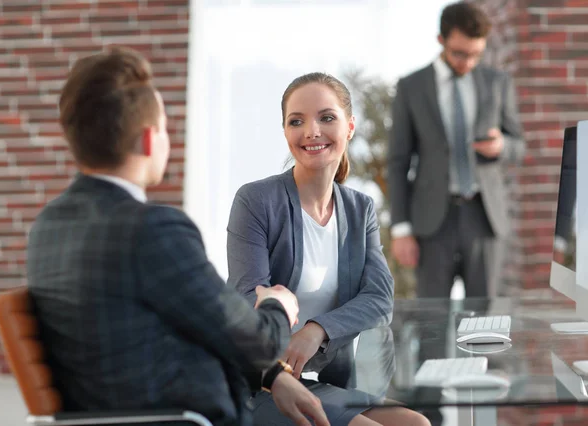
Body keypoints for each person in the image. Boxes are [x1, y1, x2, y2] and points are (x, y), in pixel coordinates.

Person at [26, 46, 330, 426]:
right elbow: (259, 338)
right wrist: (278, 306)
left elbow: (179, 330)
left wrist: (271, 376)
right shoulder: (153, 229)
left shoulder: (48, 227)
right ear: (150, 140)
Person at [227, 72, 430, 426]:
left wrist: (317, 329)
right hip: (260, 381)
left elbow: (380, 299)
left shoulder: (359, 209)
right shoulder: (256, 201)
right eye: (296, 121)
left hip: (317, 380)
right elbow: (247, 299)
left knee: (417, 424)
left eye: (326, 117)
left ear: (349, 127)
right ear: (286, 132)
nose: (311, 131)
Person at [388, 1, 525, 298]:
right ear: (441, 41)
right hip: (433, 221)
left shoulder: (497, 83)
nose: (468, 62)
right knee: (432, 326)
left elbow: (519, 144)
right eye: (460, 53)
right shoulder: (411, 86)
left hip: (484, 216)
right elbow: (398, 161)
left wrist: (502, 146)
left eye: (476, 54)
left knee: (486, 325)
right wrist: (400, 229)